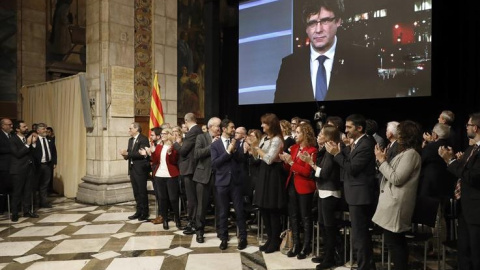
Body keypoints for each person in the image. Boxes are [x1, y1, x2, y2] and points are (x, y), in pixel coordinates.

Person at [274, 0, 378, 103]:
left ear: (338, 21)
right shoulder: (289, 65)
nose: (318, 30)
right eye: (312, 23)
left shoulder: (363, 59)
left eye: (325, 21)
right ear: (306, 28)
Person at [325, 114, 376, 270]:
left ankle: (364, 266)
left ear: (359, 128)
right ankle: (367, 265)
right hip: (355, 194)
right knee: (360, 235)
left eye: (349, 127)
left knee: (360, 235)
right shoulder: (359, 142)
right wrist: (344, 150)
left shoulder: (367, 143)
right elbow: (351, 160)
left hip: (360, 196)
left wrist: (336, 154)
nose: (345, 130)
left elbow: (352, 168)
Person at [372, 120, 423, 270]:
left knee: (395, 243)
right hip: (393, 202)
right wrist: (383, 160)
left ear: (406, 135)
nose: (397, 135)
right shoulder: (406, 153)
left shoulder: (411, 154)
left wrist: (382, 161)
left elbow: (397, 178)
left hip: (397, 203)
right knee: (394, 242)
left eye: (400, 132)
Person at [438, 112, 480, 270]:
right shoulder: (472, 149)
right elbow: (463, 170)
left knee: (476, 255)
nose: (466, 128)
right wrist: (458, 161)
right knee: (464, 252)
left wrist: (451, 161)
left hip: (476, 212)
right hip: (465, 208)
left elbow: (473, 177)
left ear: (475, 128)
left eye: (468, 125)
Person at [301, 124, 343, 269]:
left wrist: (311, 164)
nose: (319, 135)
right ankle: (326, 254)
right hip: (322, 191)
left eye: (321, 133)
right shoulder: (324, 151)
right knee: (323, 226)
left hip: (330, 193)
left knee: (329, 227)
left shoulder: (331, 152)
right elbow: (318, 173)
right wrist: (313, 165)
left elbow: (324, 173)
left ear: (329, 137)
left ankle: (330, 258)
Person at [279, 123, 317, 259]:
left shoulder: (312, 150)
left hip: (305, 186)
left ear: (305, 134)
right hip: (292, 185)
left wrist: (291, 163)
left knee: (305, 217)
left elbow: (307, 172)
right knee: (293, 216)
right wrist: (285, 161)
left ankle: (306, 246)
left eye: (298, 132)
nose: (295, 134)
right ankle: (296, 244)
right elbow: (289, 169)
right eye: (295, 132)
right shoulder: (294, 148)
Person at [250, 113, 286, 253]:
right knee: (263, 208)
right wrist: (254, 148)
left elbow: (270, 159)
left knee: (272, 210)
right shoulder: (265, 138)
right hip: (263, 174)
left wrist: (258, 149)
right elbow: (258, 158)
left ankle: (275, 240)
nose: (262, 126)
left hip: (273, 175)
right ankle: (270, 238)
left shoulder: (277, 140)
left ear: (271, 125)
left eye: (264, 123)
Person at [211, 118, 248, 250]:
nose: (234, 130)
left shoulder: (237, 143)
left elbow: (242, 160)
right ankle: (223, 237)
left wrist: (235, 150)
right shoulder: (215, 145)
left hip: (236, 182)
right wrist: (228, 152)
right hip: (221, 182)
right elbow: (214, 164)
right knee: (223, 211)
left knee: (239, 211)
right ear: (224, 129)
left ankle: (243, 237)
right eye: (232, 127)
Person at [142, 128, 181, 230]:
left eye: (164, 133)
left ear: (169, 134)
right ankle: (165, 220)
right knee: (162, 199)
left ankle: (177, 219)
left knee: (173, 198)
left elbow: (174, 161)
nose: (162, 135)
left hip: (171, 175)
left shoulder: (174, 146)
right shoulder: (159, 146)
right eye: (162, 133)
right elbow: (155, 161)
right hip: (159, 175)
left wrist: (170, 153)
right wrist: (153, 152)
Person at [173, 113, 203, 234]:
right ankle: (193, 221)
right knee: (192, 198)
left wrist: (176, 143)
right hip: (193, 168)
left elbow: (184, 151)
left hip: (190, 169)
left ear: (186, 121)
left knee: (192, 198)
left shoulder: (193, 131)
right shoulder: (198, 130)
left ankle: (193, 223)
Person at [192, 117, 221, 243]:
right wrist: (212, 146)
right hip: (203, 177)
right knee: (202, 206)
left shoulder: (222, 139)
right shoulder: (201, 137)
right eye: (217, 126)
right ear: (210, 127)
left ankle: (221, 230)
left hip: (218, 177)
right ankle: (199, 231)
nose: (219, 129)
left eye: (219, 126)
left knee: (220, 205)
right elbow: (197, 154)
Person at [120, 122, 150, 221]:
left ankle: (145, 212)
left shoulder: (143, 139)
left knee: (142, 191)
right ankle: (138, 211)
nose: (129, 130)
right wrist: (125, 155)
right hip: (132, 169)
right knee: (136, 192)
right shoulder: (130, 140)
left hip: (140, 169)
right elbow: (131, 153)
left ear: (136, 129)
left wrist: (128, 153)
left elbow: (141, 154)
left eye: (130, 128)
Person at [9, 121, 39, 222]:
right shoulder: (12, 139)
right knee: (17, 192)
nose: (27, 128)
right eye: (24, 126)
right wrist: (27, 144)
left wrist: (33, 144)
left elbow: (32, 154)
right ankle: (15, 213)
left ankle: (27, 211)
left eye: (26, 126)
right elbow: (17, 154)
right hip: (18, 170)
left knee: (28, 191)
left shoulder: (27, 139)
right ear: (17, 129)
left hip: (29, 169)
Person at [33, 123, 57, 208]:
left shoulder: (50, 139)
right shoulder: (34, 139)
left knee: (45, 185)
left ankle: (43, 202)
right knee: (35, 185)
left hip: (48, 165)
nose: (45, 130)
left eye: (46, 129)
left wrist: (54, 162)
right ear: (38, 131)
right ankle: (34, 203)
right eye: (43, 129)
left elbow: (54, 151)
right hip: (38, 165)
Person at [0, 118, 13, 214]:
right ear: (3, 126)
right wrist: (13, 149)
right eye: (9, 124)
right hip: (3, 166)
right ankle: (1, 208)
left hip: (12, 166)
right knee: (2, 188)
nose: (11, 126)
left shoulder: (12, 135)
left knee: (11, 187)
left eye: (11, 124)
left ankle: (11, 207)